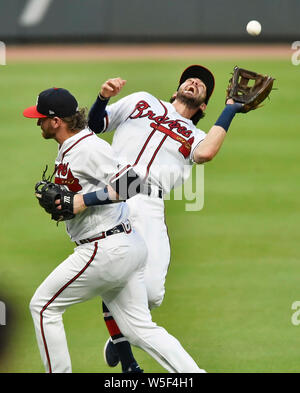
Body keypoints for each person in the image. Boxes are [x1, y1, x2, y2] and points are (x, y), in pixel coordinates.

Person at [70, 65, 243, 372]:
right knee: (117, 274)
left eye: (202, 84)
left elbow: (206, 154)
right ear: (176, 89)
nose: (194, 81)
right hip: (114, 194)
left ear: (203, 106)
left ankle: (118, 333)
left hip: (150, 205)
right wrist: (102, 97)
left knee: (151, 293)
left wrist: (230, 111)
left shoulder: (197, 134)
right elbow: (97, 125)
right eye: (190, 78)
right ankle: (128, 361)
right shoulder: (142, 101)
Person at [23, 87, 206, 373]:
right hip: (123, 246)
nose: (37, 123)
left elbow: (132, 183)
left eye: (41, 118)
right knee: (139, 330)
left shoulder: (88, 148)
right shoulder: (72, 146)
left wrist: (83, 200)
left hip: (104, 249)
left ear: (56, 121)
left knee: (44, 307)